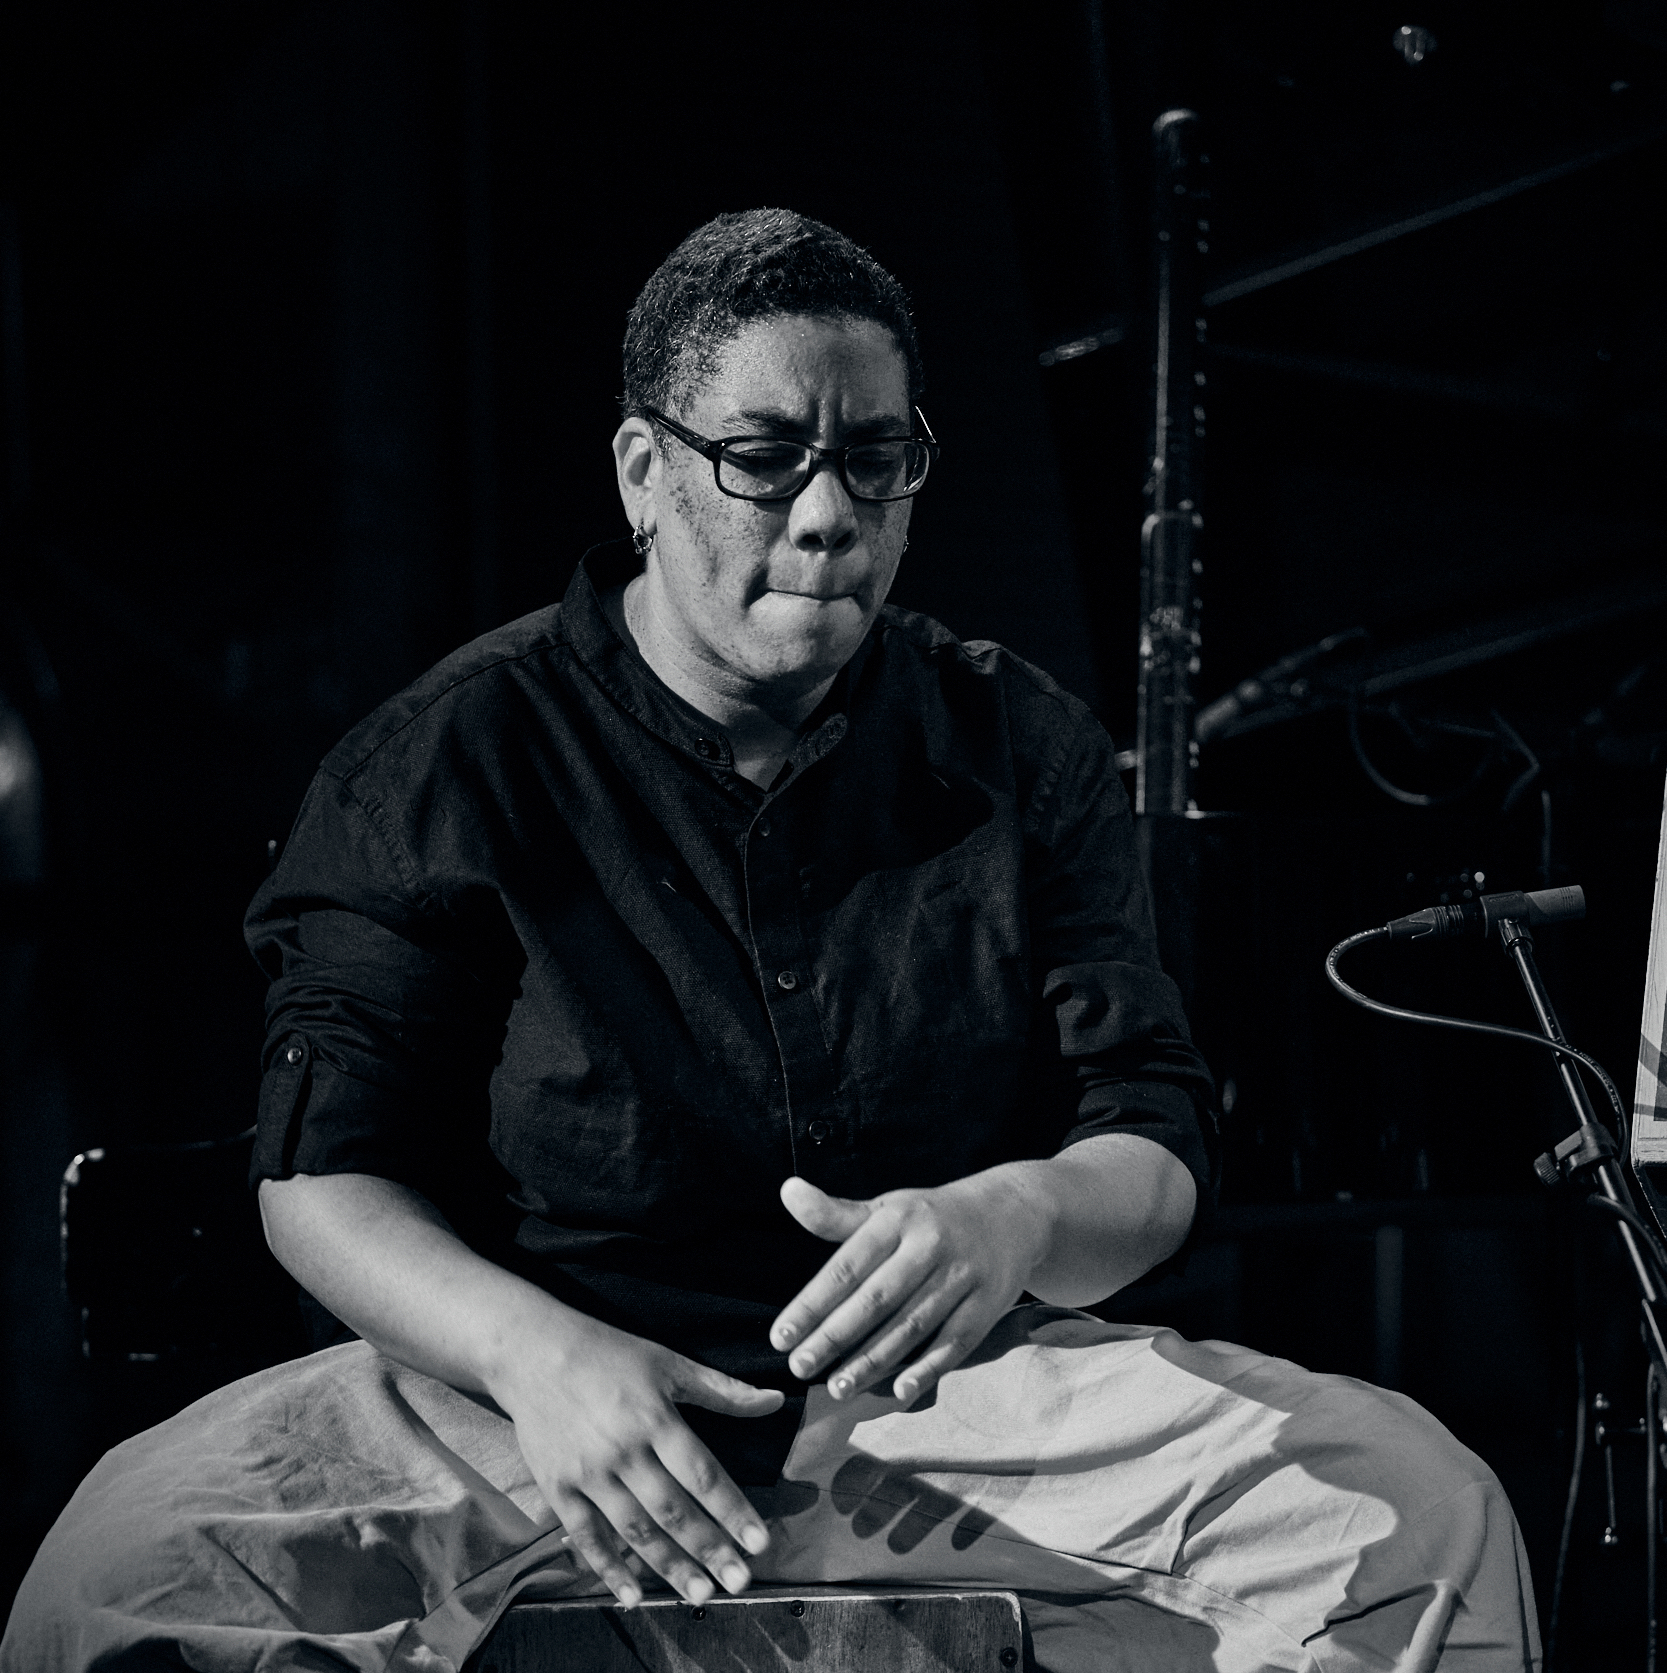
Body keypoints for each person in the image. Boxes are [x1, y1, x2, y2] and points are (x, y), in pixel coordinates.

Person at [3, 208, 1537, 1673]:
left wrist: (1012, 1217)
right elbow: (319, 1175)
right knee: (118, 1575)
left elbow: (1154, 1136)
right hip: (518, 1403)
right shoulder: (451, 760)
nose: (828, 514)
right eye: (762, 459)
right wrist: (537, 1357)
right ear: (643, 472)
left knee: (1420, 1514)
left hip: (946, 1406)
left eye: (875, 459)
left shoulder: (1016, 736)